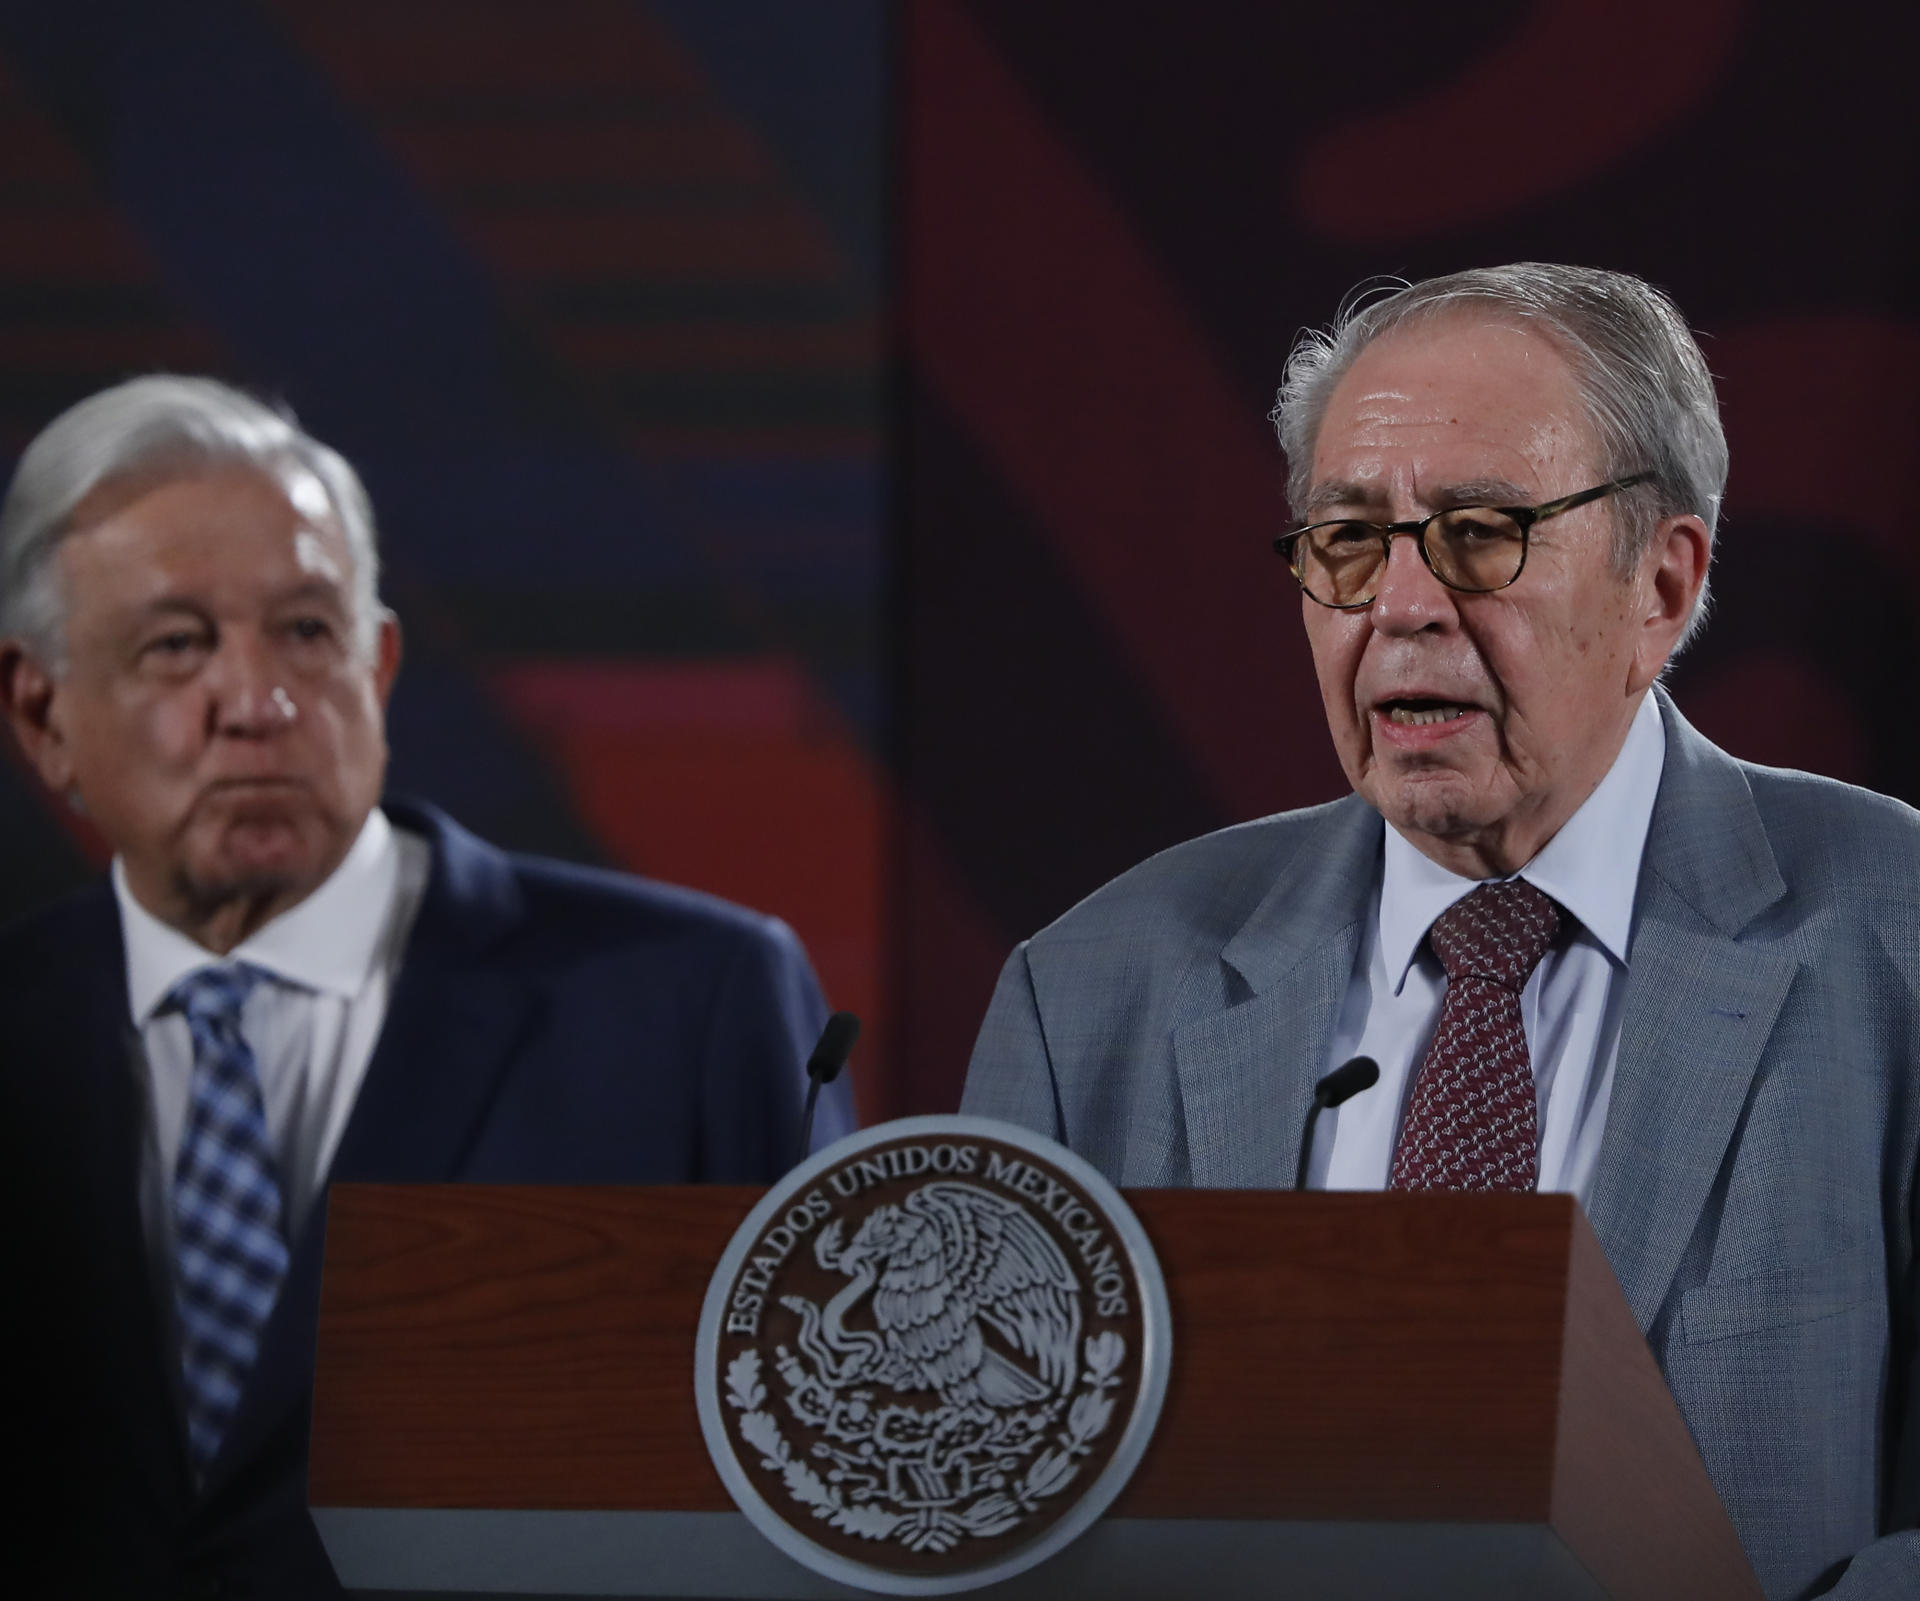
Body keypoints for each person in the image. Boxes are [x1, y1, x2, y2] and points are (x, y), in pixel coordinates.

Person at [962, 264, 1919, 1599]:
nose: (1403, 606)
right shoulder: (1091, 996)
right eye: (1349, 538)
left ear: (1662, 582)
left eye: (1481, 532)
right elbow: (983, 1507)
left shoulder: (1896, 941)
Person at [0, 376, 856, 1598]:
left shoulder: (689, 1004)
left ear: (381, 663)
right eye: (176, 644)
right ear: (42, 714)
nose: (262, 701)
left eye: (307, 630)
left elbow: (843, 1485)